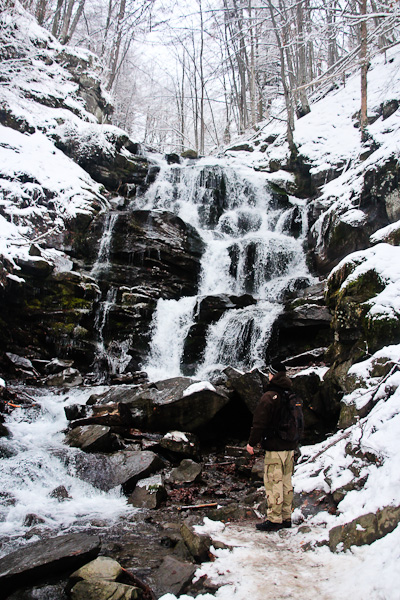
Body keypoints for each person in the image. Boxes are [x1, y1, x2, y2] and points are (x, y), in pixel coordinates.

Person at [246, 361, 296, 532]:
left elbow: (259, 422)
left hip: (275, 447)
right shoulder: (290, 394)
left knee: (274, 482)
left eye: (269, 373)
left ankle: (274, 520)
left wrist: (252, 443)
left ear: (272, 375)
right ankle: (286, 517)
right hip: (290, 446)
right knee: (286, 482)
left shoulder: (270, 396)